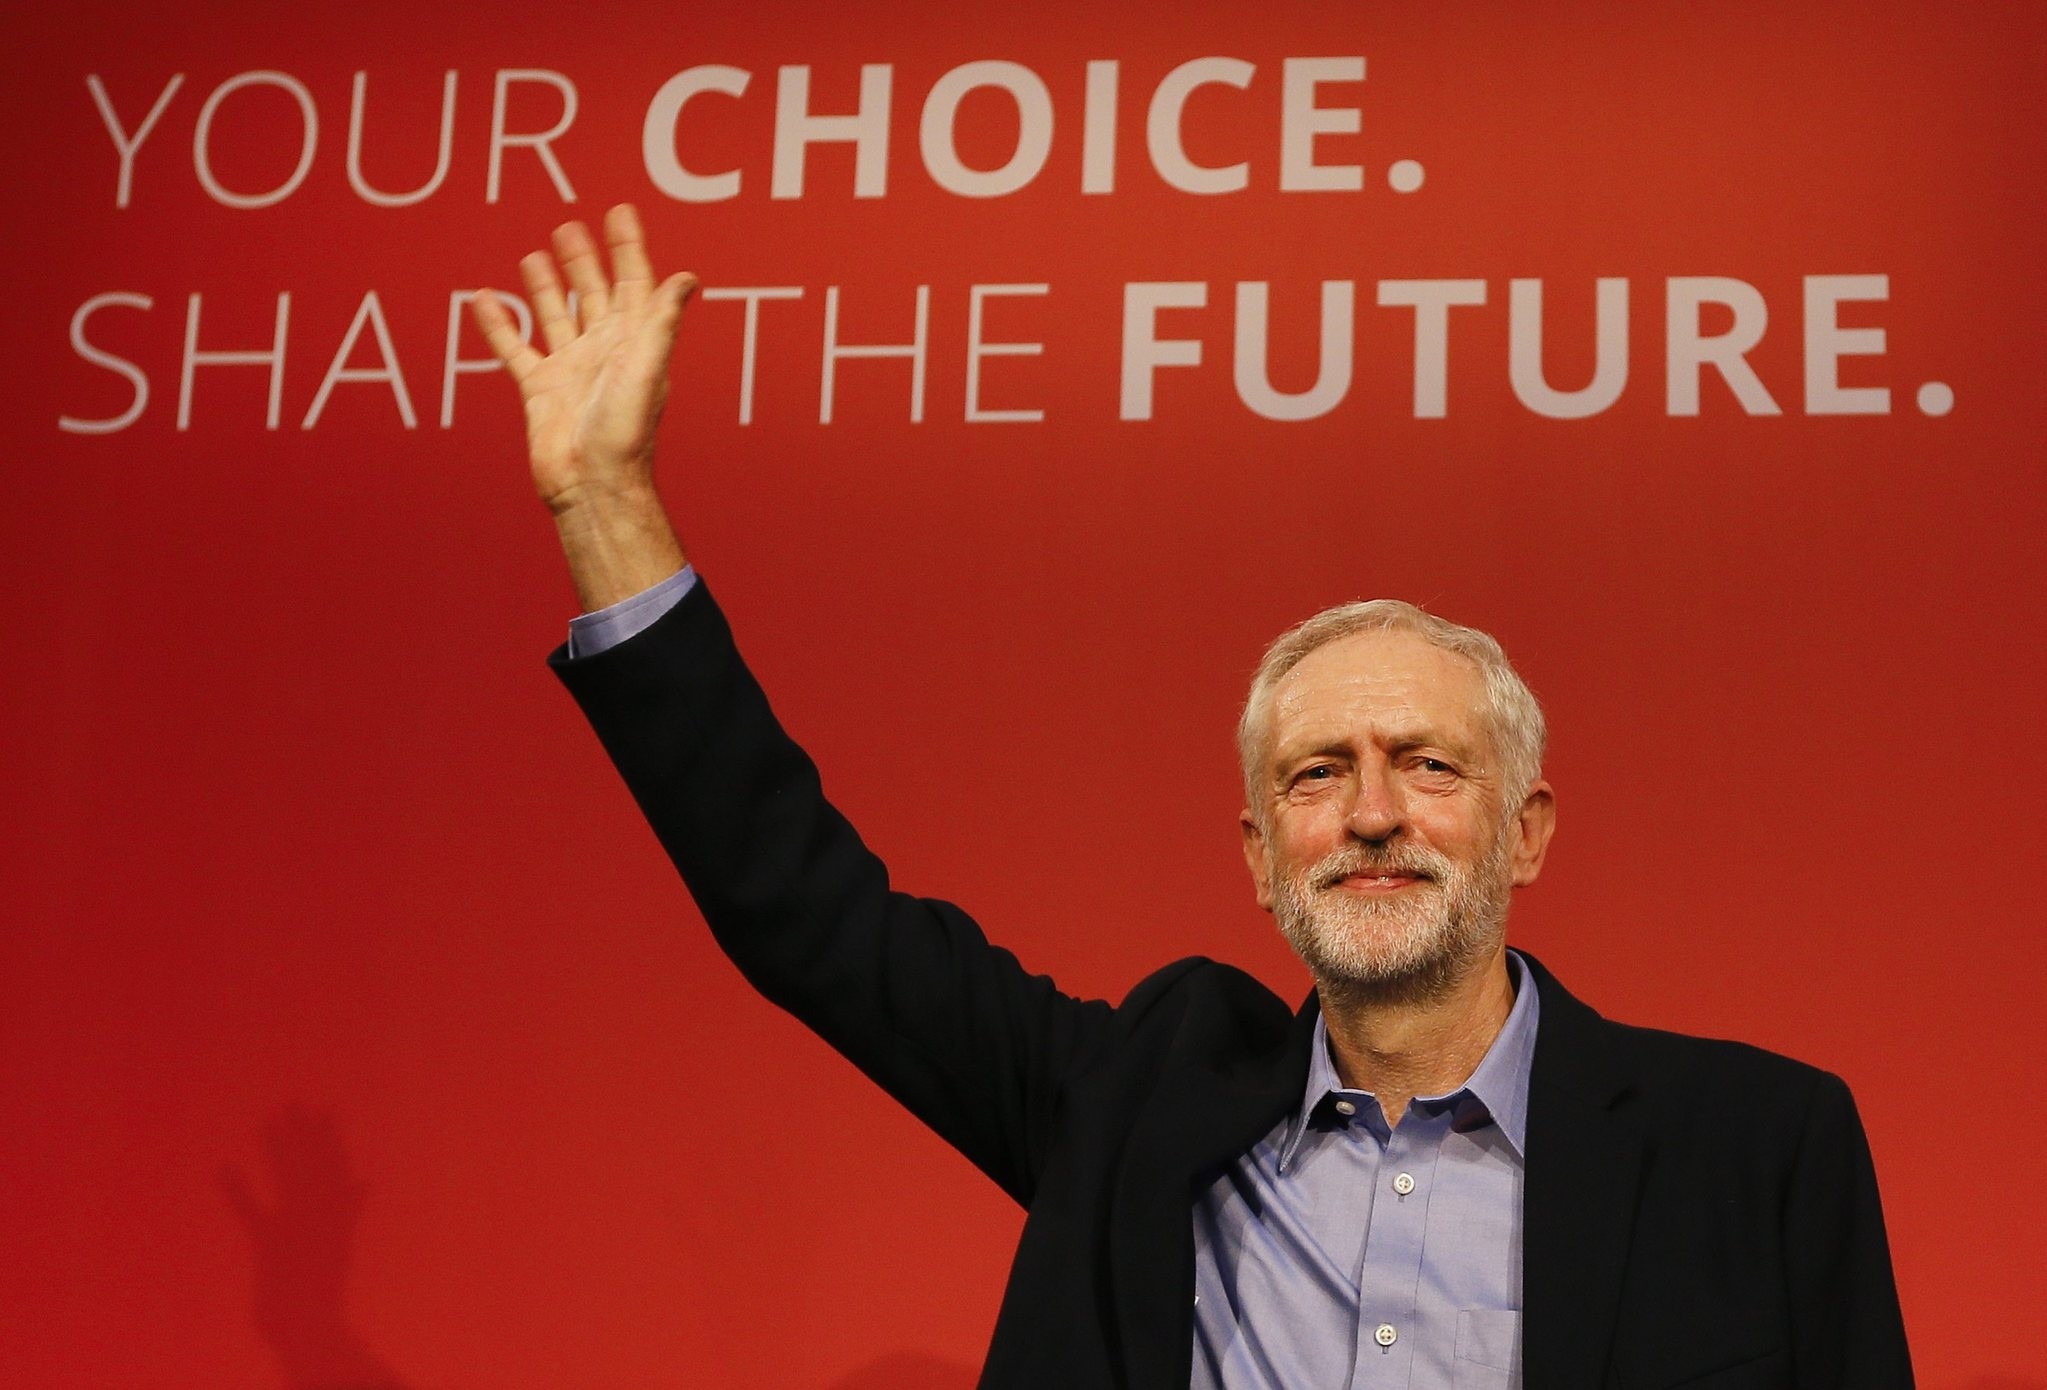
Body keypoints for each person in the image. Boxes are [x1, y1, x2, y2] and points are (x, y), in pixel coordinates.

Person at [472, 206, 1914, 1390]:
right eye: (1316, 774)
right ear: (1257, 850)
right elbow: (807, 912)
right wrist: (604, 504)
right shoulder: (1134, 1104)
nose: (1369, 813)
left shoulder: (1757, 1145)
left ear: (1526, 829)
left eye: (1427, 764)